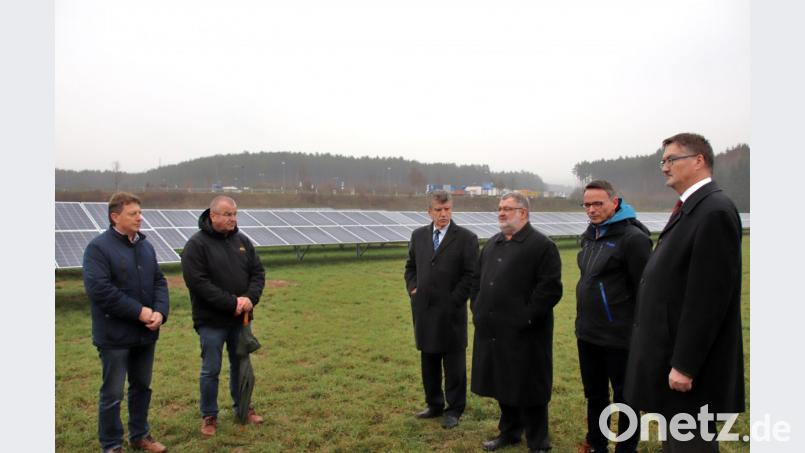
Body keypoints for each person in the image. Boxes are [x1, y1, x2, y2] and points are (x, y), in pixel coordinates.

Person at [624, 133, 745, 452]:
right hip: (672, 355)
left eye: (671, 159)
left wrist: (685, 364)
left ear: (699, 160)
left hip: (690, 369)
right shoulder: (693, 208)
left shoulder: (714, 210)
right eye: (662, 161)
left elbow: (709, 298)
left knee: (690, 442)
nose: (664, 167)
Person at [470, 192, 563, 453]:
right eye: (499, 208)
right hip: (492, 330)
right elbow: (476, 281)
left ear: (523, 213)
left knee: (529, 387)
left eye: (507, 209)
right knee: (503, 383)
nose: (501, 213)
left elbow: (550, 290)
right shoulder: (492, 244)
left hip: (527, 334)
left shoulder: (542, 246)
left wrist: (525, 317)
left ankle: (538, 442)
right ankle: (509, 432)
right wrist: (476, 308)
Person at [83, 192, 170, 453]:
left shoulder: (146, 246)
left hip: (145, 334)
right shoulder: (98, 248)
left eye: (140, 213)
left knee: (142, 387)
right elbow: (100, 290)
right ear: (115, 216)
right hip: (114, 336)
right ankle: (111, 445)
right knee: (112, 394)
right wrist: (139, 312)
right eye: (133, 214)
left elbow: (159, 281)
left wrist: (160, 313)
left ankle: (139, 435)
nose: (140, 218)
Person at [575, 180, 652, 453]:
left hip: (620, 336)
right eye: (587, 204)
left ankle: (626, 447)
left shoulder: (634, 239)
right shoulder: (590, 235)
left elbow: (645, 290)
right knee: (595, 394)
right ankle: (596, 443)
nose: (592, 210)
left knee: (625, 397)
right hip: (587, 332)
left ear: (615, 203)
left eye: (598, 203)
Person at [181, 196, 266, 436]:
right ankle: (209, 416)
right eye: (227, 214)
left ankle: (243, 408)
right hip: (211, 322)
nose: (233, 219)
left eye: (235, 214)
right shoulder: (196, 245)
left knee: (241, 364)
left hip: (240, 320)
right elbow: (198, 283)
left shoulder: (242, 241)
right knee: (211, 369)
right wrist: (231, 303)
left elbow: (258, 272)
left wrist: (250, 298)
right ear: (213, 215)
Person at [404, 190, 479, 429]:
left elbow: (471, 275)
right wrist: (414, 289)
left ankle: (454, 409)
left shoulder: (467, 238)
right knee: (429, 360)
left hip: (451, 314)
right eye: (438, 210)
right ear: (429, 211)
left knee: (454, 363)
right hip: (424, 311)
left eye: (447, 209)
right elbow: (410, 267)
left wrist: (454, 300)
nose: (444, 214)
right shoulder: (418, 236)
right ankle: (434, 404)